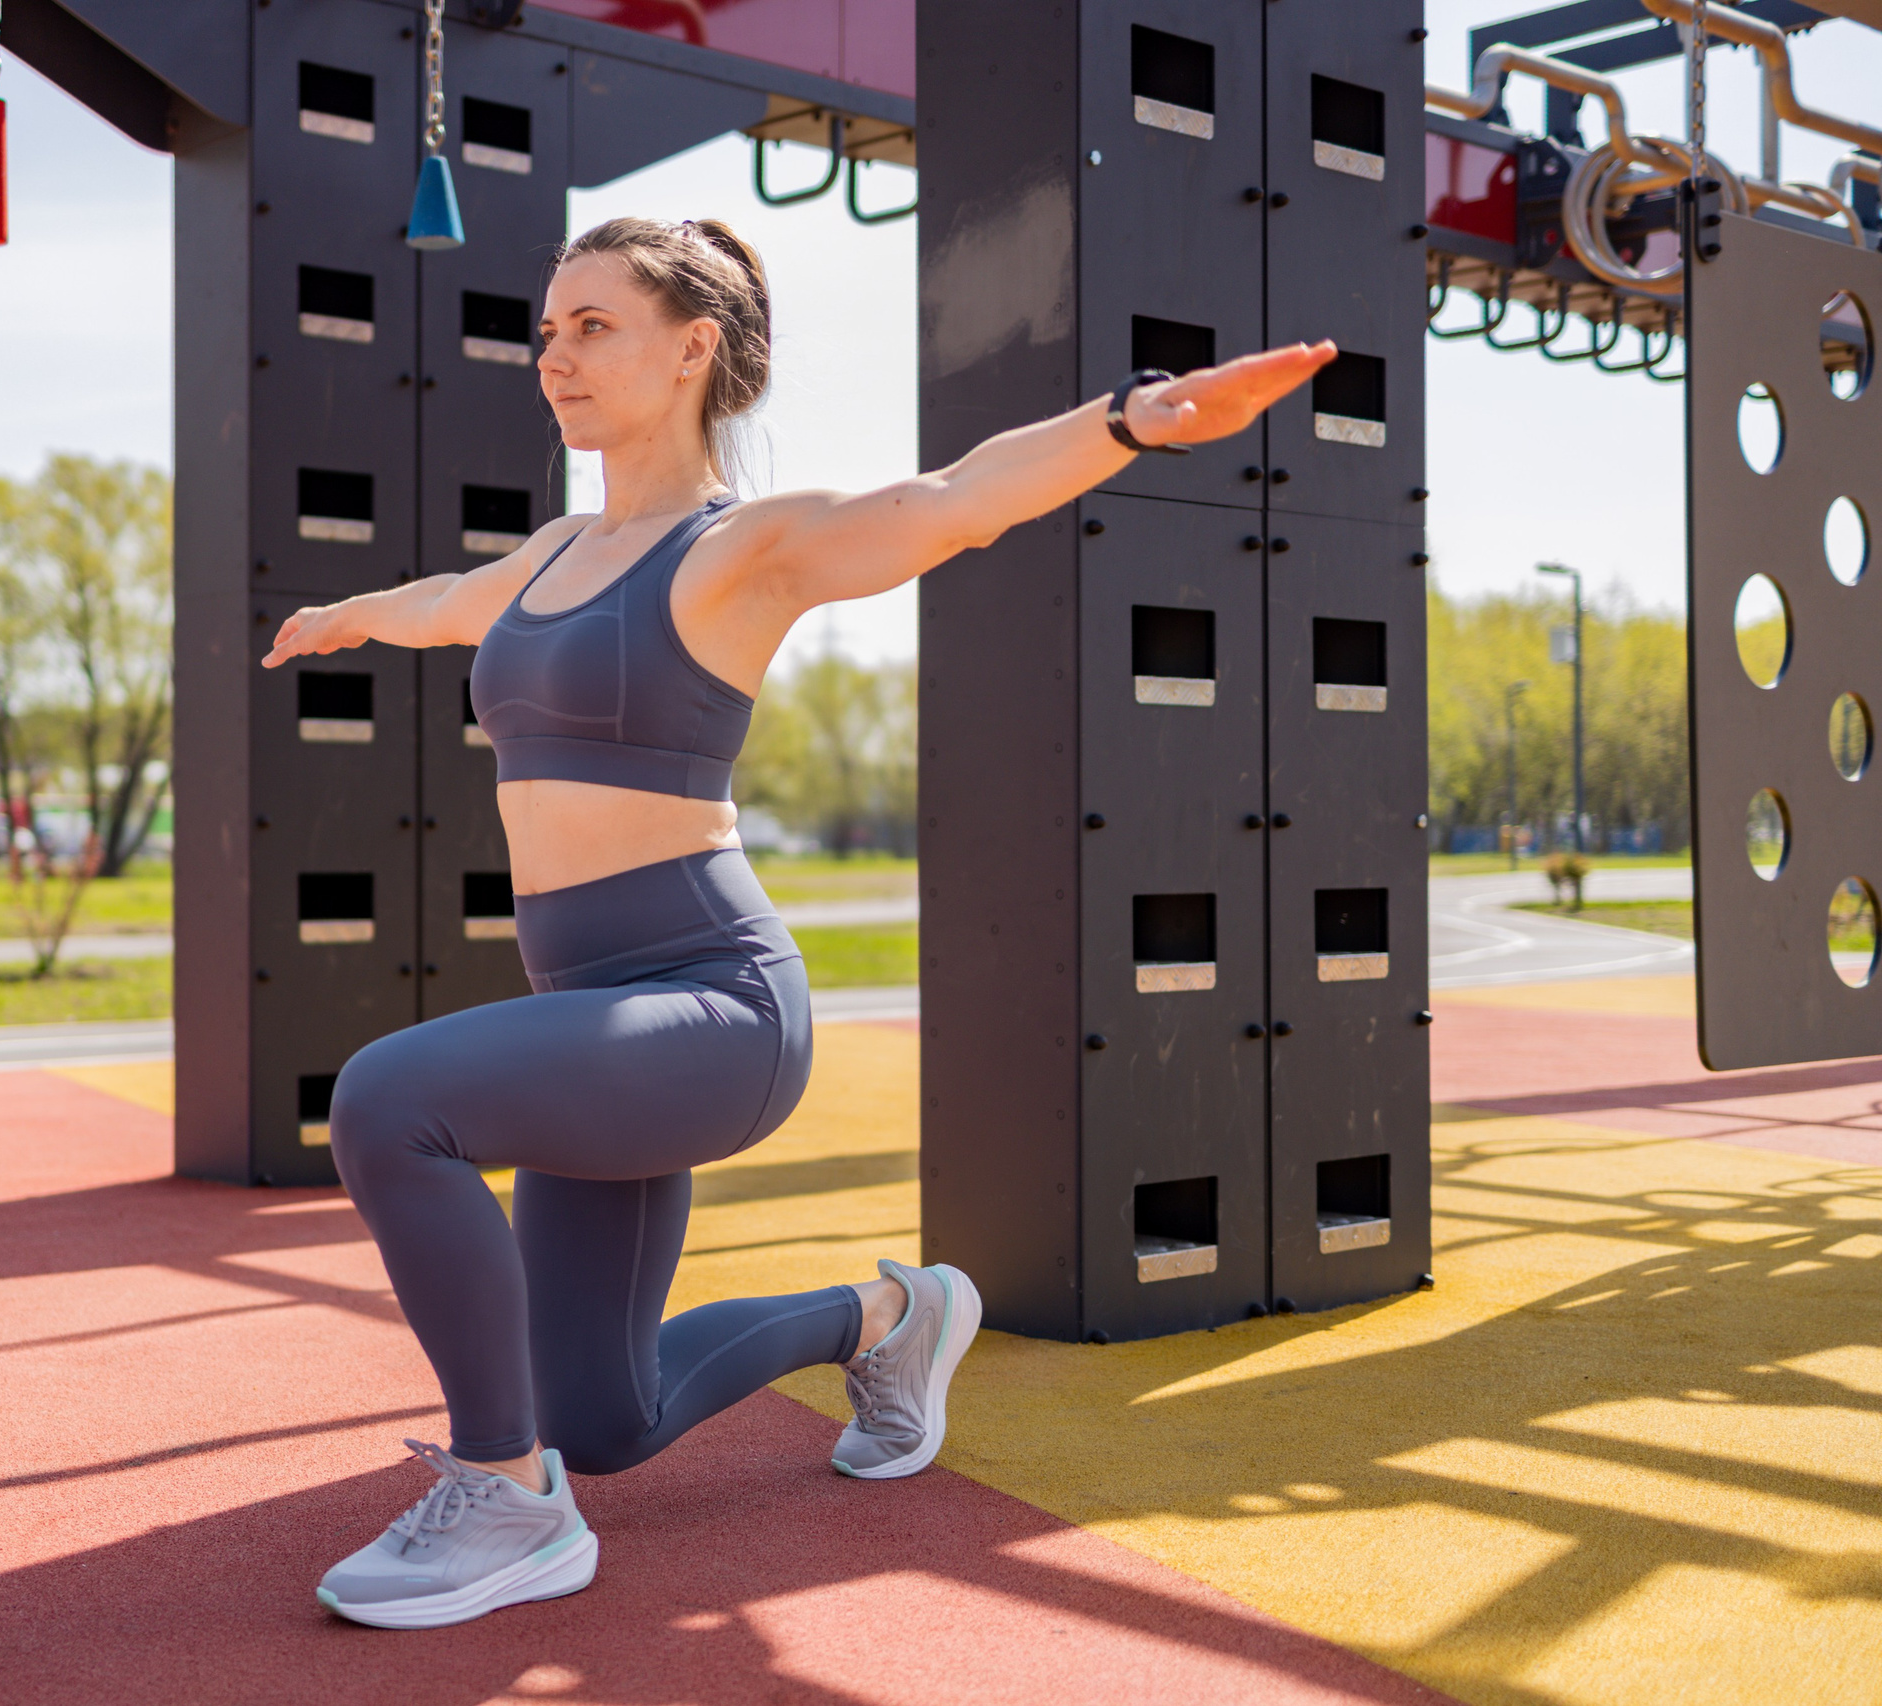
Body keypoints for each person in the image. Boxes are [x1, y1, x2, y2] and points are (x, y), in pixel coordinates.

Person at [259, 215, 1332, 1629]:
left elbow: (951, 498)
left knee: (391, 1100)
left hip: (714, 1005)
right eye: (547, 330)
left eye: (594, 326)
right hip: (600, 1025)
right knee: (608, 1408)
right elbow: (441, 606)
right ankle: (890, 1319)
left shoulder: (740, 550)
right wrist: (342, 615)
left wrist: (1129, 421)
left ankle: (507, 1496)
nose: (554, 356)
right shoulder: (546, 558)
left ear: (692, 347)